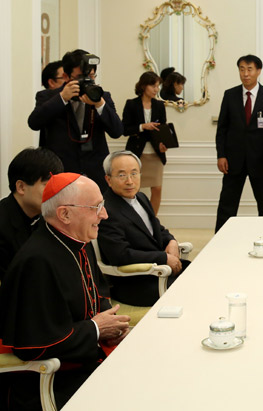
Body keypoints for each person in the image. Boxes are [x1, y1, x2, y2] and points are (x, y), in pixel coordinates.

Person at [0, 173, 130, 409]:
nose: (104, 214)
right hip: (52, 380)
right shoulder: (36, 262)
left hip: (86, 358)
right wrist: (96, 329)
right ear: (65, 214)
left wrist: (113, 326)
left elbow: (97, 296)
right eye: (96, 207)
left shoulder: (79, 242)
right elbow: (35, 343)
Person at [98, 151, 188, 307]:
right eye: (121, 175)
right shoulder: (107, 211)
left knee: (200, 272)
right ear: (108, 179)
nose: (129, 181)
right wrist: (163, 258)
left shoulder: (141, 198)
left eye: (134, 173)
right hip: (136, 282)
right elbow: (120, 255)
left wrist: (172, 241)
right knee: (190, 287)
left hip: (158, 272)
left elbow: (157, 229)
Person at [27, 49, 123, 192]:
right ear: (66, 76)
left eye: (91, 76)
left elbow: (117, 131)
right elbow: (34, 123)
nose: (87, 81)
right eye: (80, 77)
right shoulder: (48, 96)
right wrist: (62, 99)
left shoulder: (102, 97)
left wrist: (99, 104)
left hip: (95, 174)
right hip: (61, 173)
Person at [215, 55, 263, 231]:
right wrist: (221, 155)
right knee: (227, 203)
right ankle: (220, 239)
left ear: (258, 71)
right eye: (242, 69)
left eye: (249, 69)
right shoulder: (230, 95)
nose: (245, 73)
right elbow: (222, 129)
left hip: (260, 160)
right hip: (233, 160)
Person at [0, 147, 63, 281]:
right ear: (21, 187)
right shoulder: (3, 224)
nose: (55, 192)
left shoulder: (50, 218)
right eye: (47, 185)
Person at [122, 71, 169, 215]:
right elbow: (124, 129)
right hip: (137, 153)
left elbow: (163, 129)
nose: (156, 89)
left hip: (155, 153)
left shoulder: (159, 105)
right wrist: (143, 126)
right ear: (143, 86)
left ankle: (152, 221)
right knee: (133, 189)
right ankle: (135, 219)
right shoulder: (131, 104)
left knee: (157, 188)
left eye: (158, 86)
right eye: (153, 86)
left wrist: (164, 144)